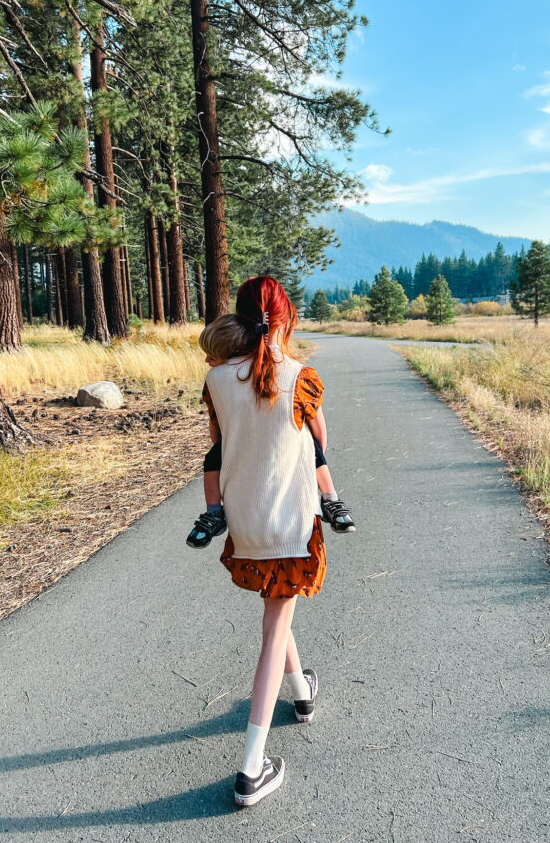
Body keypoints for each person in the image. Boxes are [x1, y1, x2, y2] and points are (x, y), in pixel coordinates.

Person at [195, 276, 343, 806]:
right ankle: (251, 768)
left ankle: (302, 694)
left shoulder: (215, 380)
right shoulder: (302, 377)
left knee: (278, 606)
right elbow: (321, 443)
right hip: (293, 522)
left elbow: (217, 449)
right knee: (274, 625)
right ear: (287, 318)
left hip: (244, 520)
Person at [186, 315, 354, 549]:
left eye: (212, 356)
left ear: (231, 354)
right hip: (285, 442)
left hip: (239, 442)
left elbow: (216, 426)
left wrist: (225, 449)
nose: (206, 360)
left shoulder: (217, 379)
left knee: (212, 459)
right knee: (311, 447)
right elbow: (319, 432)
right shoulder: (287, 371)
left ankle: (214, 512)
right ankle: (331, 500)